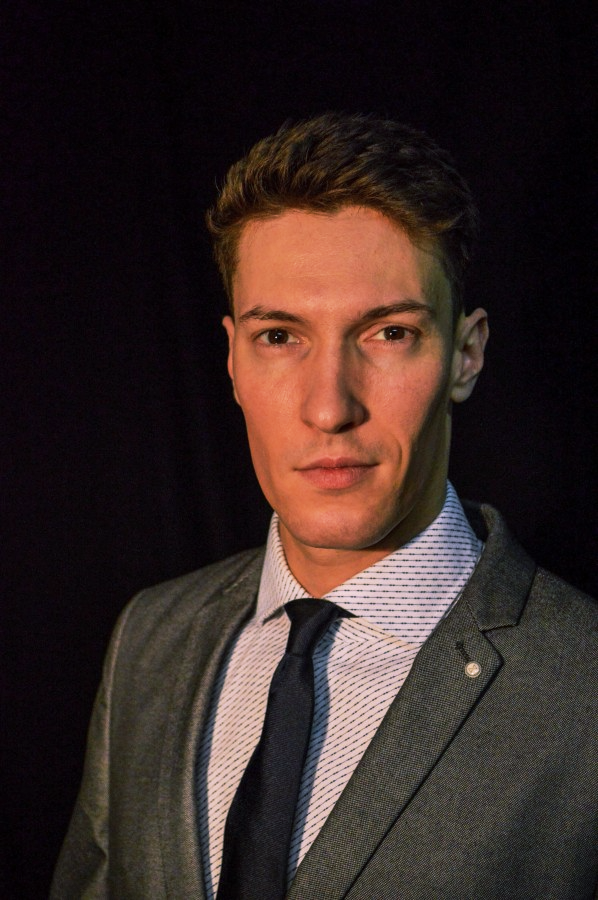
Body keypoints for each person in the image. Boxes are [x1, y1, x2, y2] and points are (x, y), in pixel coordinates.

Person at [51, 113, 597, 899]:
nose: (329, 407)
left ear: (465, 353)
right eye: (280, 336)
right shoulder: (150, 638)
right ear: (233, 359)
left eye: (389, 333)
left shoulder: (582, 686)